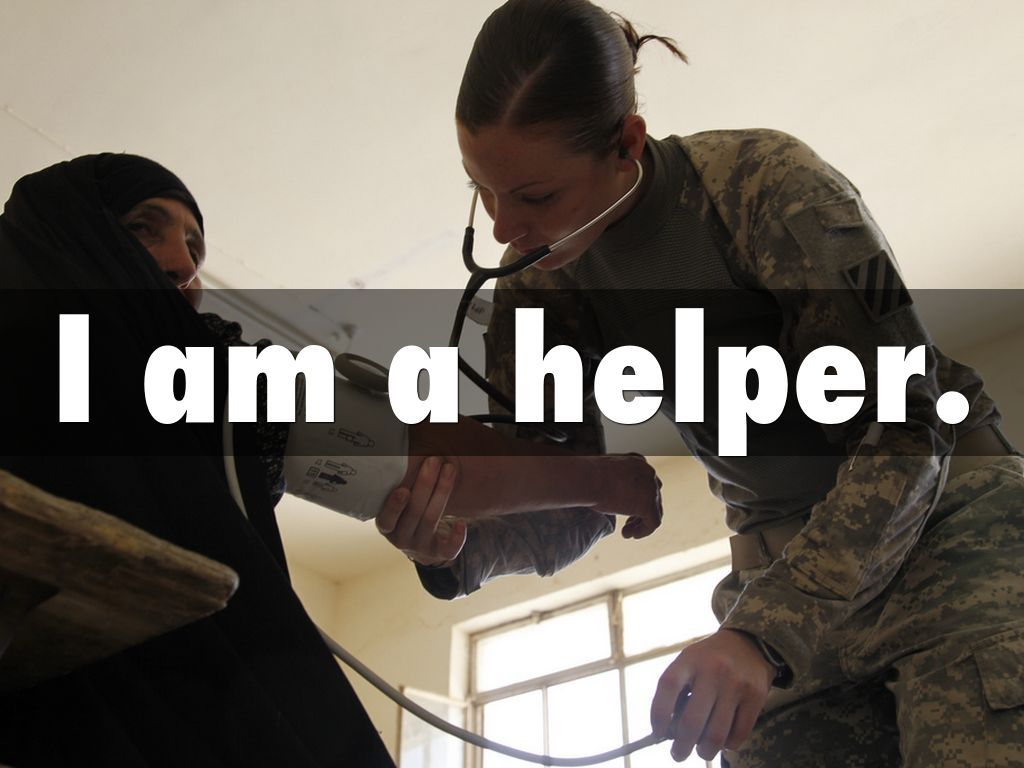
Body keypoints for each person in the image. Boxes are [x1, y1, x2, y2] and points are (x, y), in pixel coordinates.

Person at [382, 1, 1024, 766]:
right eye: (482, 190)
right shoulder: (538, 288)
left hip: (948, 539)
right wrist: (456, 543)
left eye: (537, 197)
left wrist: (761, 631)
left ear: (627, 143)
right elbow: (568, 497)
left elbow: (908, 435)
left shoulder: (768, 190)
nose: (502, 229)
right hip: (781, 579)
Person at [0, 152, 662, 767]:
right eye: (144, 229)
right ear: (66, 234)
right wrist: (603, 481)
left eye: (195, 249)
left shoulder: (219, 385)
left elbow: (412, 463)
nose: (182, 265)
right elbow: (426, 456)